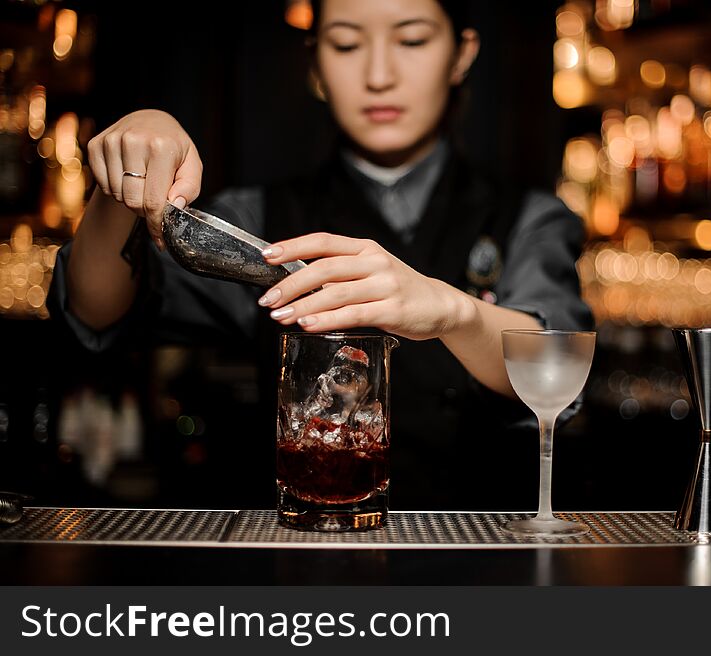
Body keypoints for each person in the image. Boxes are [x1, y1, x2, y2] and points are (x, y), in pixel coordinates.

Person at [50, 0, 592, 509]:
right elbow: (95, 308)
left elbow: (556, 370)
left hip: (481, 557)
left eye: (412, 40)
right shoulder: (259, 215)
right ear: (315, 64)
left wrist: (454, 311)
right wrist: (124, 183)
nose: (379, 74)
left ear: (462, 55)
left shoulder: (529, 216)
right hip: (307, 555)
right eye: (347, 44)